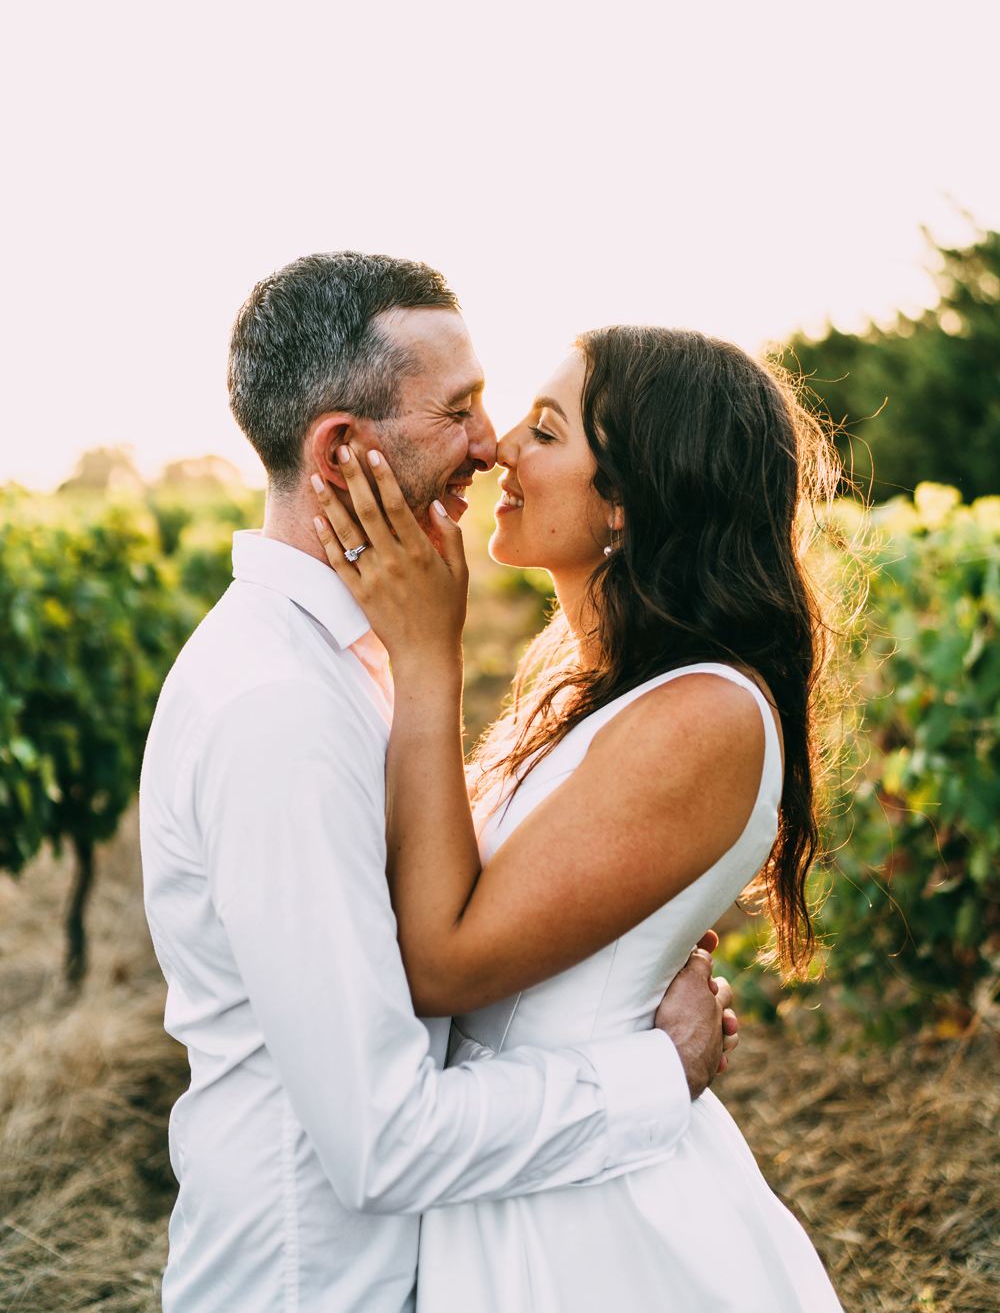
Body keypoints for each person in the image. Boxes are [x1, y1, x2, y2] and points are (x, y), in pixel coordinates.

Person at [139, 253, 738, 1313]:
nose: (488, 444)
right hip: (319, 1284)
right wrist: (656, 1070)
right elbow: (383, 1138)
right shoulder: (279, 706)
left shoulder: (358, 661)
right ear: (341, 448)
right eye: (459, 410)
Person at [311, 321, 845, 1311]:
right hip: (512, 1160)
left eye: (547, 430)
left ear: (630, 500)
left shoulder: (703, 712)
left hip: (586, 1228)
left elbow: (443, 963)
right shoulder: (588, 684)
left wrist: (426, 656)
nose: (502, 446)